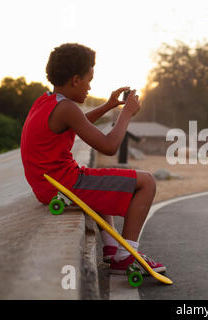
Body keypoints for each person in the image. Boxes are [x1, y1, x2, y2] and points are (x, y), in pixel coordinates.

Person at [20, 43, 165, 275]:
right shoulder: (67, 108)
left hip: (48, 185)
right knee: (147, 181)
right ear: (76, 80)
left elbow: (79, 122)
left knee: (99, 181)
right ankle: (126, 256)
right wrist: (126, 114)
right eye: (89, 79)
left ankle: (110, 248)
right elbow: (109, 147)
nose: (90, 86)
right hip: (64, 185)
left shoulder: (47, 101)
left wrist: (108, 106)